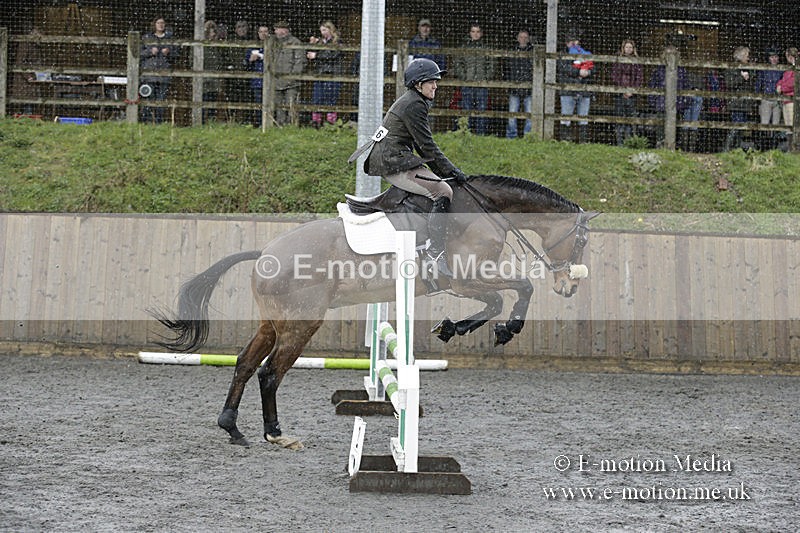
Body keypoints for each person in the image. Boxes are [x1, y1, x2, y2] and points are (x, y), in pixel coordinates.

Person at [352, 58, 467, 278]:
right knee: (443, 191)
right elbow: (427, 146)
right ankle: (435, 253)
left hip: (396, 158)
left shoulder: (414, 100)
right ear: (417, 84)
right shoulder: (414, 104)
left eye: (436, 81)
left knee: (441, 183)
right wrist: (452, 171)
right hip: (392, 162)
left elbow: (421, 146)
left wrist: (446, 171)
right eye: (431, 81)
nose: (436, 85)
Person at [647, 46, 703, 150]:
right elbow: (652, 86)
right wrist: (653, 100)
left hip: (678, 103)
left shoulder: (682, 70)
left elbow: (686, 85)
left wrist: (686, 100)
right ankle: (660, 145)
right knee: (661, 125)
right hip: (661, 102)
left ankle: (677, 147)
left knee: (678, 125)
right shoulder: (658, 69)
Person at [453, 23, 495, 135]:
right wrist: (464, 76)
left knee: (482, 110)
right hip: (467, 83)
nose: (475, 34)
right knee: (467, 108)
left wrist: (486, 77)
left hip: (482, 84)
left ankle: (480, 134)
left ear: (481, 34)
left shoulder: (486, 48)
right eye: (473, 31)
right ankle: (466, 133)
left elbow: (491, 64)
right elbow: (457, 63)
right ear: (470, 33)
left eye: (477, 31)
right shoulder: (464, 48)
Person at [556, 34, 594, 143]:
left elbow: (593, 67)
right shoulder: (563, 54)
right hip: (568, 89)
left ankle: (583, 141)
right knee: (566, 116)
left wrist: (588, 72)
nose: (573, 43)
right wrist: (578, 72)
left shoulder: (585, 53)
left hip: (584, 89)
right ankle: (565, 140)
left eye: (575, 41)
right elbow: (563, 68)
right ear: (566, 43)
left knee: (583, 116)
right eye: (571, 41)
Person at [307, 20, 344, 127]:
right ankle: (316, 122)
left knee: (331, 99)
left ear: (330, 29)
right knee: (317, 97)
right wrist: (313, 46)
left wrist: (316, 56)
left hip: (332, 73)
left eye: (324, 30)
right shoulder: (320, 41)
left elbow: (333, 55)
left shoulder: (337, 41)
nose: (322, 32)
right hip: (320, 72)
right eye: (321, 30)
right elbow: (312, 53)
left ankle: (331, 123)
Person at [271, 20, 307, 126]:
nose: (277, 31)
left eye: (279, 29)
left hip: (291, 83)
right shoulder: (272, 42)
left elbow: (300, 62)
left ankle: (292, 126)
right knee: (279, 107)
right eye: (276, 29)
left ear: (285, 30)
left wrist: (292, 77)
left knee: (291, 106)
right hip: (276, 81)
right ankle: (280, 126)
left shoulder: (295, 42)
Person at [140, 17, 175, 124]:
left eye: (162, 23)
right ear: (154, 24)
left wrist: (169, 52)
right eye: (158, 23)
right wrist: (150, 52)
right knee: (148, 101)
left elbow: (177, 55)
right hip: (149, 76)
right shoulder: (146, 37)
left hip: (164, 76)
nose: (161, 25)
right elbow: (138, 53)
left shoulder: (169, 38)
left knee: (160, 101)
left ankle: (159, 123)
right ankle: (147, 122)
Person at [610, 39, 643, 146]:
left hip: (632, 94)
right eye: (627, 47)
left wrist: (632, 91)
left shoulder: (636, 61)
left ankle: (628, 142)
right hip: (619, 94)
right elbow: (614, 76)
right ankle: (619, 143)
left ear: (633, 49)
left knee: (630, 119)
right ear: (623, 48)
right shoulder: (618, 60)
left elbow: (639, 77)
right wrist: (622, 90)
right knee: (620, 118)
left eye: (630, 47)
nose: (628, 49)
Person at [503, 30, 534, 139]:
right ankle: (511, 136)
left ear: (529, 39)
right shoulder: (512, 52)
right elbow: (506, 69)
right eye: (521, 37)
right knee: (512, 114)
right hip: (514, 87)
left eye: (525, 37)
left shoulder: (533, 52)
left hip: (529, 88)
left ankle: (528, 136)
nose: (523, 39)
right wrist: (509, 82)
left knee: (530, 114)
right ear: (517, 38)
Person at [723, 46, 755, 151]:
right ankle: (727, 150)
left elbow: (751, 84)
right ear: (741, 56)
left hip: (745, 104)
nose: (748, 58)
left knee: (741, 129)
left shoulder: (747, 67)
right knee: (736, 127)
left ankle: (736, 150)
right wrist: (742, 78)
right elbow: (729, 83)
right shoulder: (732, 67)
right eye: (746, 55)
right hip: (736, 103)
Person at [755, 47, 784, 149]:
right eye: (772, 57)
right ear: (769, 58)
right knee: (765, 123)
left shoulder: (782, 70)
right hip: (766, 99)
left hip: (777, 100)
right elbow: (758, 84)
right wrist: (758, 98)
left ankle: (774, 147)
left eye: (776, 57)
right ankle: (763, 147)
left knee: (776, 125)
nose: (774, 59)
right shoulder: (764, 70)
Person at [225, 20, 252, 123]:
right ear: (236, 29)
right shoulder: (230, 42)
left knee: (247, 102)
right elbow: (225, 58)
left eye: (244, 26)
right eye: (239, 27)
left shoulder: (251, 41)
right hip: (233, 77)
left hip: (247, 76)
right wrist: (230, 67)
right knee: (232, 101)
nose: (242, 29)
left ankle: (246, 122)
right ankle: (231, 121)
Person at [246, 25, 270, 127]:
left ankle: (269, 123)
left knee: (270, 103)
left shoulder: (272, 45)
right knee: (258, 103)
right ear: (258, 33)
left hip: (270, 80)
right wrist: (250, 60)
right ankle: (260, 124)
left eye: (265, 31)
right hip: (257, 81)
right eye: (261, 32)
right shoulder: (253, 46)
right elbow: (246, 64)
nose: (263, 34)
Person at [202, 21, 224, 123]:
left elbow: (220, 62)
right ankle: (201, 121)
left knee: (213, 102)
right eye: (211, 32)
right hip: (204, 80)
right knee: (202, 102)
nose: (213, 34)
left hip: (214, 80)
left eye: (214, 32)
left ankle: (211, 122)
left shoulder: (217, 46)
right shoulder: (201, 46)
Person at [776, 47, 797, 150]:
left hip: (793, 100)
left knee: (793, 125)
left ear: (790, 56)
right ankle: (790, 148)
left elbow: (794, 82)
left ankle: (795, 148)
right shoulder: (789, 68)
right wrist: (779, 85)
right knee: (788, 125)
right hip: (786, 100)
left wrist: (782, 87)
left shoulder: (797, 67)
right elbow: (782, 79)